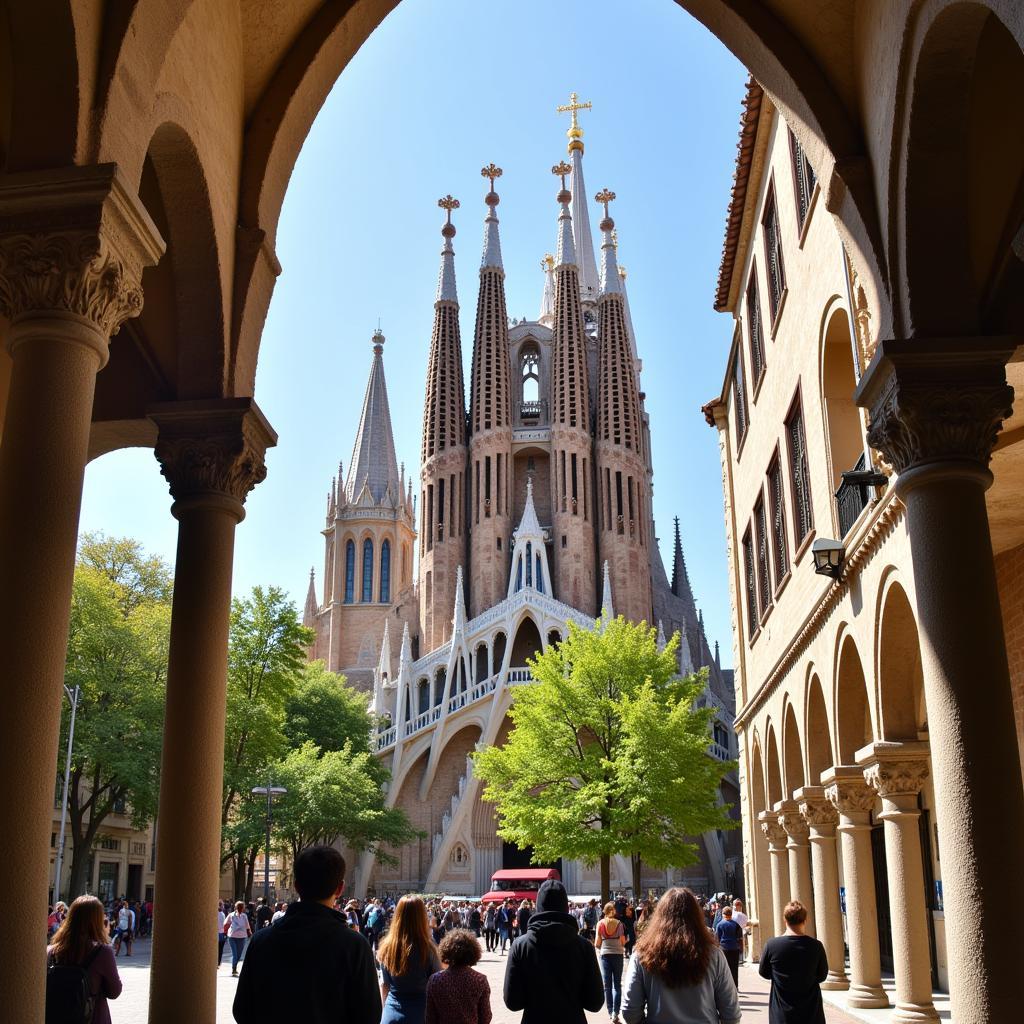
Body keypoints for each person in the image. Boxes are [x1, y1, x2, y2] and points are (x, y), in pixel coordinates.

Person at [233, 845, 381, 1023]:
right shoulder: (355, 946)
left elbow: (242, 1010)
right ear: (340, 889)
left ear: (296, 885)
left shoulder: (261, 941)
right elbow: (369, 1016)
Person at [621, 887, 740, 1024]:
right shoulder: (714, 955)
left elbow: (630, 1011)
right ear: (697, 916)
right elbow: (731, 1013)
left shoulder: (642, 954)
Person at [503, 879, 604, 1024]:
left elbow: (513, 1002)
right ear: (565, 907)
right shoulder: (584, 947)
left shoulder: (520, 945)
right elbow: (595, 1002)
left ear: (538, 906)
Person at [46, 894, 123, 1024]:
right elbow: (114, 992)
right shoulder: (102, 952)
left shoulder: (51, 951)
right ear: (97, 921)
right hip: (92, 1017)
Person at [758, 900, 829, 1024]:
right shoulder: (816, 946)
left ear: (785, 920)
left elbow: (764, 972)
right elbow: (822, 975)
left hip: (782, 1012)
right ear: (805, 920)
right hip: (810, 1012)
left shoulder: (772, 945)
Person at [378, 895, 440, 1024]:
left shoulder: (387, 946)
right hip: (421, 1014)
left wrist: (385, 1011)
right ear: (422, 917)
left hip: (392, 1014)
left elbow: (385, 985)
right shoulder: (428, 947)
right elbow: (436, 983)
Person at [425, 928, 491, 1024]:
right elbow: (486, 1017)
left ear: (446, 950)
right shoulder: (480, 980)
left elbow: (430, 1017)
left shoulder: (435, 980)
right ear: (473, 952)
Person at [595, 901, 627, 1023]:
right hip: (618, 955)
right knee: (617, 985)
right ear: (614, 911)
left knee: (607, 986)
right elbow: (623, 941)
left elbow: (597, 943)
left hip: (605, 955)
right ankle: (616, 1012)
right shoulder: (620, 924)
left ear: (605, 911)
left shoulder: (600, 924)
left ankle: (609, 1011)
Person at [714, 906, 744, 986]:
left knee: (724, 969)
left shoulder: (719, 924)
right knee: (734, 969)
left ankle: (726, 986)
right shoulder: (736, 925)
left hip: (724, 949)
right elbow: (739, 938)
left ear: (723, 914)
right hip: (734, 948)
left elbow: (717, 938)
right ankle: (735, 986)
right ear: (731, 914)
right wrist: (741, 948)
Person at [225, 900, 252, 977]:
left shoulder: (244, 916)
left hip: (242, 937)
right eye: (240, 907)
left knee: (239, 955)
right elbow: (226, 923)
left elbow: (247, 926)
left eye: (242, 907)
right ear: (237, 907)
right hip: (232, 937)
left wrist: (250, 933)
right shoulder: (231, 915)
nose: (241, 909)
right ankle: (234, 969)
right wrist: (225, 931)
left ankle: (235, 966)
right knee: (235, 954)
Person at [218, 900, 228, 967]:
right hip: (221, 933)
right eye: (222, 905)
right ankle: (218, 962)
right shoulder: (222, 914)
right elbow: (223, 924)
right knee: (220, 949)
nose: (223, 906)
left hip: (216, 933)